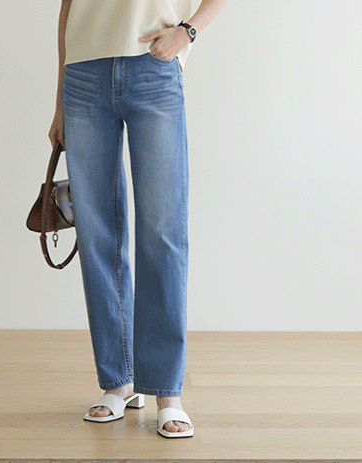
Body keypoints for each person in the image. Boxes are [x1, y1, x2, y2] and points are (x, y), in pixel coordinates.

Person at [49, 0, 228, 439]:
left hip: (154, 66)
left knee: (162, 233)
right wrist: (59, 100)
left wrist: (187, 31)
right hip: (83, 75)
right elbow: (68, 8)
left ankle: (167, 392)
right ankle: (118, 381)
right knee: (98, 234)